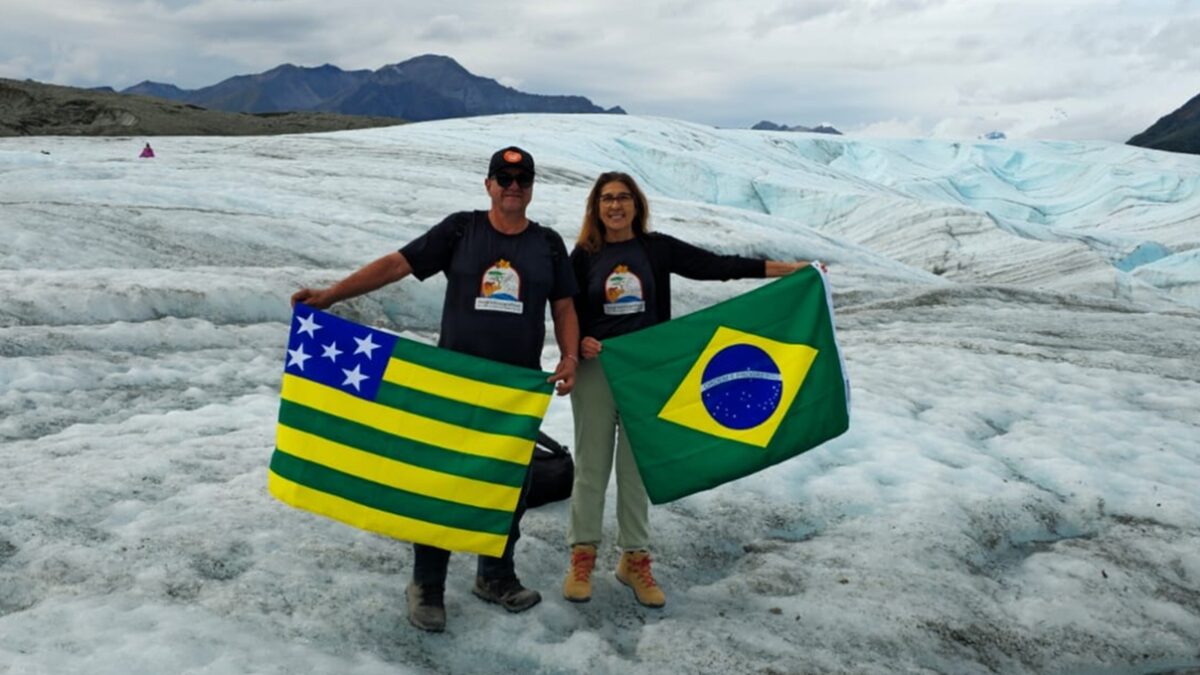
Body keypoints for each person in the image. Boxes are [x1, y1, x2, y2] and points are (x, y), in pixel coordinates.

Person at [292, 146, 580, 633]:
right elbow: (397, 264)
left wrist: (569, 356)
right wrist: (331, 295)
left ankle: (495, 575)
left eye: (522, 179)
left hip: (513, 392)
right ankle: (427, 584)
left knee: (509, 485)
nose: (513, 186)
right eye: (503, 178)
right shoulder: (461, 230)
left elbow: (565, 306)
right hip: (452, 386)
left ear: (531, 188)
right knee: (441, 483)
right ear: (488, 185)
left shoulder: (547, 244)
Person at [563, 171, 819, 608]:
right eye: (607, 199)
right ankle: (582, 556)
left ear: (636, 205)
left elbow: (715, 267)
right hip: (598, 368)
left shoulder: (655, 248)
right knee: (591, 466)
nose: (616, 206)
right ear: (596, 207)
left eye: (624, 197)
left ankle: (634, 559)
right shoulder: (584, 256)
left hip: (648, 371)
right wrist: (579, 340)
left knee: (637, 468)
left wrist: (789, 272)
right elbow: (565, 305)